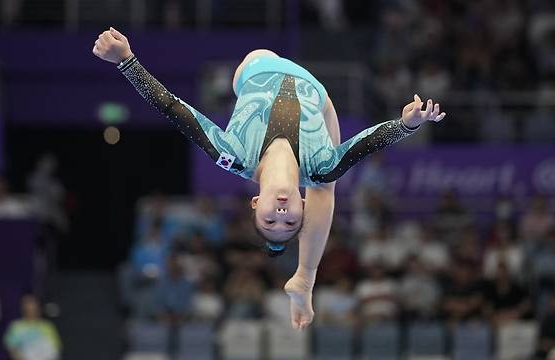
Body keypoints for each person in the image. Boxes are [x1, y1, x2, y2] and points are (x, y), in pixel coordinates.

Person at [93, 27, 446, 329]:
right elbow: (369, 142)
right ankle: (305, 277)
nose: (281, 211)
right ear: (299, 204)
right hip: (319, 100)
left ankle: (304, 279)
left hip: (253, 70)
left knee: (324, 186)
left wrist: (126, 61)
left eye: (269, 218)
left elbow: (171, 107)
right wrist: (408, 124)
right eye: (290, 219)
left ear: (255, 202)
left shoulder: (230, 155)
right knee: (327, 182)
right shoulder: (322, 163)